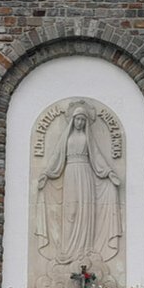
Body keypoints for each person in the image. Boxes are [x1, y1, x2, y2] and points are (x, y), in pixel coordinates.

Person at [35, 104, 122, 267]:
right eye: (78, 119)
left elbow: (97, 156)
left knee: (85, 210)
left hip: (85, 173)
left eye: (83, 120)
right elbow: (56, 156)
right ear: (73, 120)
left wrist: (109, 172)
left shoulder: (88, 138)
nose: (80, 122)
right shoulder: (66, 138)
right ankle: (68, 250)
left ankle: (84, 250)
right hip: (70, 173)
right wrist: (46, 173)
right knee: (71, 211)